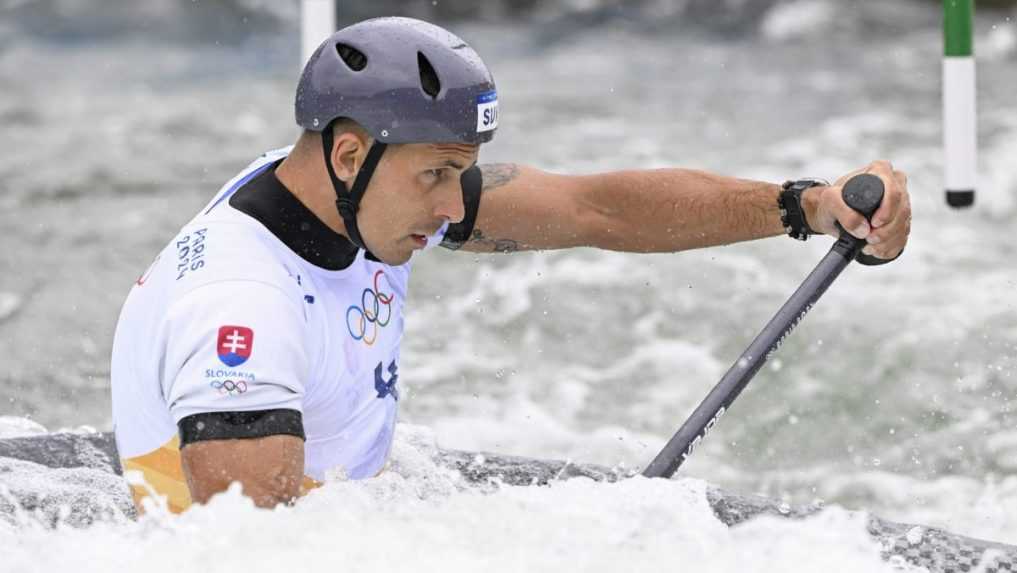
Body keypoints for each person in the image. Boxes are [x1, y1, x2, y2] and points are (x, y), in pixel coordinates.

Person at [110, 16, 911, 514]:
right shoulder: (240, 311)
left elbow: (595, 208)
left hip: (355, 502)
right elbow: (257, 551)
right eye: (434, 177)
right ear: (350, 152)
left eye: (456, 175)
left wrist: (804, 205)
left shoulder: (333, 188)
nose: (456, 209)